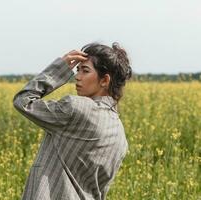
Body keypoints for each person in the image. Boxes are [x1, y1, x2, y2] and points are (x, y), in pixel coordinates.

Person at [13, 42, 132, 200]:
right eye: (77, 70)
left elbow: (23, 101)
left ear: (104, 80)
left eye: (85, 70)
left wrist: (60, 69)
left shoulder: (75, 109)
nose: (77, 76)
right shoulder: (119, 134)